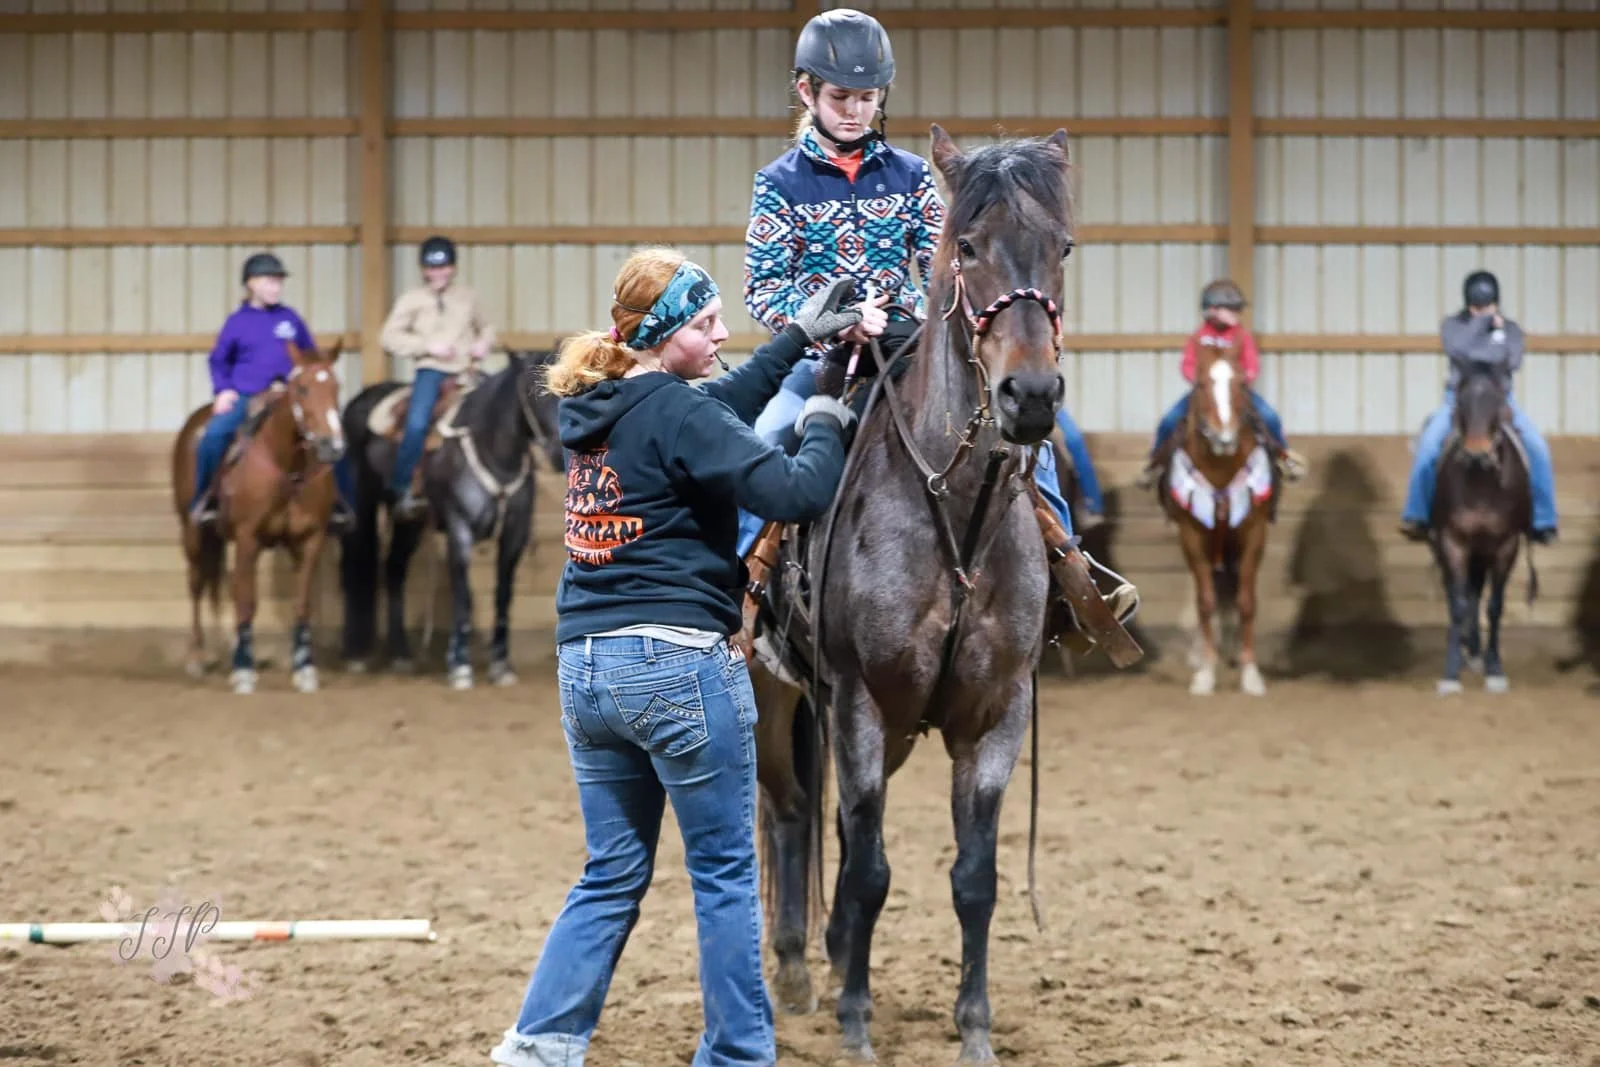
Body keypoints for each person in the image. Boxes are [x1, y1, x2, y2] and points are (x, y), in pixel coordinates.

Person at [489, 248, 866, 1067]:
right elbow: (797, 491)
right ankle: (737, 1054)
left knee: (611, 871)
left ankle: (538, 1045)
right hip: (677, 664)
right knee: (724, 873)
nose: (723, 333)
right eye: (707, 322)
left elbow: (718, 404)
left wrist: (797, 336)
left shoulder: (597, 404)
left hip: (587, 667)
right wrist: (826, 411)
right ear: (665, 335)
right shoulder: (679, 415)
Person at [735, 7, 1131, 633]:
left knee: (1028, 443)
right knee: (767, 435)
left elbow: (941, 269)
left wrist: (931, 316)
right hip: (820, 361)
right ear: (807, 92)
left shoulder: (912, 175)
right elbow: (763, 289)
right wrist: (830, 322)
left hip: (908, 349)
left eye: (868, 98)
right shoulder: (779, 183)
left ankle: (1069, 567)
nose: (855, 111)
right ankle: (740, 589)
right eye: (840, 97)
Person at [189, 252, 352, 533]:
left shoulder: (290, 318)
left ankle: (340, 503)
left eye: (278, 282)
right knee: (214, 436)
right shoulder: (237, 322)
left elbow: (309, 355)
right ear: (251, 284)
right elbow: (218, 360)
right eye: (269, 281)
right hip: (248, 394)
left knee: (332, 437)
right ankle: (206, 500)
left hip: (287, 395)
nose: (276, 288)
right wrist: (223, 391)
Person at [1399, 269, 1558, 544]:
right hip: (1459, 400)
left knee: (1538, 448)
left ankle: (1543, 520)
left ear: (1496, 302)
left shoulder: (1511, 330)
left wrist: (1492, 337)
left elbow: (1512, 360)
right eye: (1476, 307)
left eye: (1486, 307)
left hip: (1500, 400)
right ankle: (1417, 514)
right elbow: (1460, 351)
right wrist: (1486, 329)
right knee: (1428, 447)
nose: (1481, 311)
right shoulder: (1452, 326)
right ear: (1467, 304)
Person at [1140, 279, 1308, 487]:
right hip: (1206, 390)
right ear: (1212, 310)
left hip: (1235, 390)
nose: (1237, 313)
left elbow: (1252, 364)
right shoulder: (1198, 337)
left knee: (1270, 417)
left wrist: (1243, 378)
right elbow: (1187, 364)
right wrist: (1199, 381)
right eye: (1232, 309)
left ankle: (1284, 457)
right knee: (1169, 420)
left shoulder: (1242, 336)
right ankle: (1154, 463)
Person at [377, 234, 498, 520]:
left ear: (452, 268)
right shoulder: (412, 300)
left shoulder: (467, 296)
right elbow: (389, 336)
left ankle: (503, 479)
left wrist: (484, 342)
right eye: (432, 268)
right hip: (431, 371)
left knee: (499, 412)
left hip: (466, 370)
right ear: (424, 270)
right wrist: (426, 346)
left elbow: (487, 326)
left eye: (443, 267)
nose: (438, 274)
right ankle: (402, 486)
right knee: (417, 423)